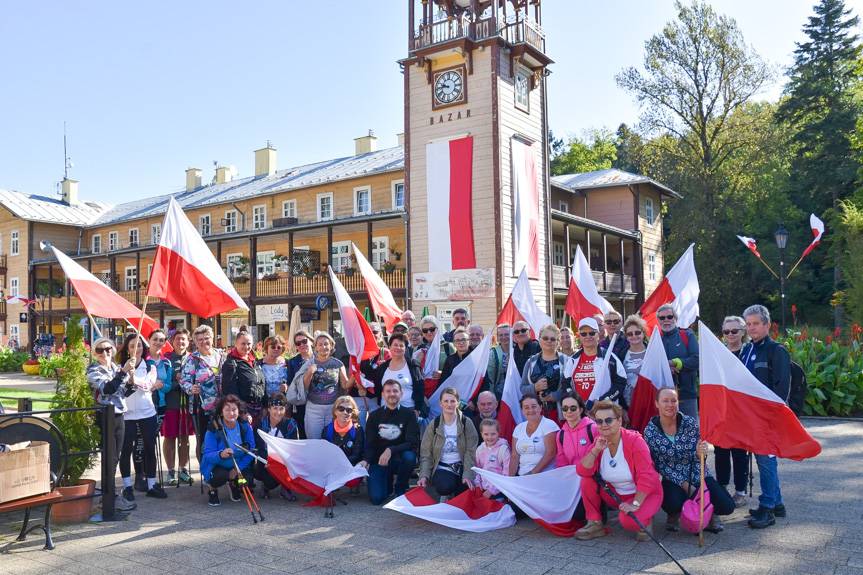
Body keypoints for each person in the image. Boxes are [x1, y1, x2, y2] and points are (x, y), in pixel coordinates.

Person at [644, 387, 734, 533]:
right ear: (657, 404)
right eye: (665, 401)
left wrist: (702, 454)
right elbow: (659, 465)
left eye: (673, 400)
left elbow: (700, 457)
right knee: (672, 502)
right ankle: (675, 514)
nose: (670, 404)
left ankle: (709, 513)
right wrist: (685, 485)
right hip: (672, 478)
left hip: (697, 474)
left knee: (727, 506)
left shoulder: (690, 423)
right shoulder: (650, 431)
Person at [575, 400, 662, 542]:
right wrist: (596, 451)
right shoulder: (600, 441)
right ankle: (595, 523)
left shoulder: (635, 441)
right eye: (599, 421)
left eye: (609, 420)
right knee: (587, 479)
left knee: (629, 522)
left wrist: (635, 504)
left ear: (619, 420)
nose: (603, 425)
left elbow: (648, 476)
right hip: (617, 496)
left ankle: (646, 518)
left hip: (643, 495)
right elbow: (582, 471)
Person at [741, 304, 791, 529]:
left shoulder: (776, 351)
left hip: (768, 418)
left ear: (767, 325)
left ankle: (768, 508)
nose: (751, 328)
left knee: (766, 460)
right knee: (766, 461)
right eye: (748, 324)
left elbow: (782, 388)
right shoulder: (748, 349)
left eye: (755, 324)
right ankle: (778, 503)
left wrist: (772, 416)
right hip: (751, 417)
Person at [87, 336, 136, 512]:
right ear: (94, 353)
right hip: (104, 416)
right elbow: (106, 389)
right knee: (109, 456)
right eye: (100, 350)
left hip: (119, 415)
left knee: (116, 456)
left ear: (113, 351)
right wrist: (123, 372)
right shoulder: (93, 370)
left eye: (108, 349)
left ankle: (111, 495)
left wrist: (131, 381)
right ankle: (107, 497)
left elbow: (122, 392)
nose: (104, 353)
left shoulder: (115, 368)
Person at [118, 334, 167, 500]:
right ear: (127, 349)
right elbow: (117, 388)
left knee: (149, 448)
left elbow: (148, 385)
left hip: (147, 413)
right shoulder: (121, 367)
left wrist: (134, 379)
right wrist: (126, 373)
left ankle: (152, 484)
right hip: (127, 415)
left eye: (139, 346)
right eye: (132, 346)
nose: (136, 349)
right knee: (126, 450)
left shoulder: (150, 366)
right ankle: (127, 486)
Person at [361, 379, 420, 505]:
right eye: (388, 391)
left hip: (400, 459)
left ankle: (401, 487)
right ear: (383, 394)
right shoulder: (374, 416)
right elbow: (370, 443)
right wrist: (366, 460)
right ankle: (387, 484)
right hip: (380, 460)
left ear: (401, 393)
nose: (392, 394)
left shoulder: (409, 415)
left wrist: (390, 450)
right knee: (377, 499)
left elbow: (412, 443)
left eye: (395, 391)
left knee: (410, 457)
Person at [714, 315, 750, 507]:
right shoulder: (719, 353)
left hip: (741, 413)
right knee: (720, 452)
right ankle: (722, 488)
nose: (730, 334)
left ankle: (740, 492)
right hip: (722, 411)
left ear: (743, 332)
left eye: (734, 331)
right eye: (726, 331)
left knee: (739, 453)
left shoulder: (748, 353)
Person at [418, 387, 478, 500]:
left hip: (462, 467)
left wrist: (467, 475)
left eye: (452, 401)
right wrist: (424, 475)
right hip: (442, 468)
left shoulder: (467, 423)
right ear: (441, 403)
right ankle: (446, 493)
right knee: (445, 487)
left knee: (465, 490)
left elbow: (471, 452)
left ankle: (455, 493)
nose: (449, 404)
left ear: (458, 403)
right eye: (446, 401)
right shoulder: (434, 424)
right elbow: (426, 453)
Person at [360, 333, 426, 426]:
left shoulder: (413, 365)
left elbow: (420, 387)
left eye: (401, 345)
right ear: (389, 346)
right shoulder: (382, 367)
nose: (398, 348)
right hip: (386, 411)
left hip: (409, 410)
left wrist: (417, 409)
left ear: (405, 348)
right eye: (395, 345)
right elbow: (374, 382)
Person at [202, 395, 256, 507]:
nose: (231, 413)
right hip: (216, 465)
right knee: (220, 476)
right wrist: (220, 454)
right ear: (221, 412)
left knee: (249, 478)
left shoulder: (245, 426)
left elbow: (251, 451)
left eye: (234, 409)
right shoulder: (214, 428)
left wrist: (237, 469)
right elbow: (207, 455)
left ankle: (233, 484)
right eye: (227, 410)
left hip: (237, 465)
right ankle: (212, 489)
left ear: (239, 410)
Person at [181, 324, 225, 460]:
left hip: (223, 406)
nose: (203, 342)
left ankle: (223, 469)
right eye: (199, 339)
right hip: (202, 407)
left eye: (206, 338)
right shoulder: (192, 360)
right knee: (205, 440)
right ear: (195, 342)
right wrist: (191, 388)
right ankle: (206, 470)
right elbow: (183, 380)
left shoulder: (222, 356)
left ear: (212, 339)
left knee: (224, 438)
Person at [555, 393, 597, 522]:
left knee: (579, 516)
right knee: (574, 517)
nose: (569, 411)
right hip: (573, 483)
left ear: (581, 409)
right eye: (565, 408)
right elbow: (562, 463)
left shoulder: (593, 428)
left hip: (592, 479)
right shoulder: (560, 434)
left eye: (573, 408)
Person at [301, 332, 351, 441]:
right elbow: (304, 386)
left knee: (331, 441)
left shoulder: (338, 364)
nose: (323, 347)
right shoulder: (309, 363)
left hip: (332, 409)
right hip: (314, 409)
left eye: (326, 344)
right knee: (314, 441)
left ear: (332, 346)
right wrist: (309, 372)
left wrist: (355, 376)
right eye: (320, 344)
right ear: (315, 347)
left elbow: (345, 385)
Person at [569, 318, 627, 407]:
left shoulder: (609, 357)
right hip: (580, 413)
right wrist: (575, 403)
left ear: (598, 335)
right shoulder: (573, 359)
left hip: (604, 411)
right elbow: (565, 384)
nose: (588, 336)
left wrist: (604, 400)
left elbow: (620, 383)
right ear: (579, 336)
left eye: (592, 333)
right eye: (584, 334)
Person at [520, 324, 572, 421]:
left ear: (558, 342)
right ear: (540, 340)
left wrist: (554, 396)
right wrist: (534, 387)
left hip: (559, 414)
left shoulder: (566, 361)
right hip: (535, 413)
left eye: (553, 339)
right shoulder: (531, 362)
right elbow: (522, 388)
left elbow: (571, 388)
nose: (549, 341)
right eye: (545, 338)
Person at [162, 329, 194, 487]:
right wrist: (177, 381)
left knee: (185, 438)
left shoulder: (194, 359)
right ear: (172, 341)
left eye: (183, 339)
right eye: (177, 339)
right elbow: (162, 382)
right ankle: (170, 470)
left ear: (188, 342)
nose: (180, 342)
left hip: (188, 405)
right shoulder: (166, 359)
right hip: (171, 404)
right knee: (169, 438)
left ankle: (183, 469)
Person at [658, 304, 700, 418]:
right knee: (669, 433)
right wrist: (665, 368)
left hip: (686, 394)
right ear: (658, 320)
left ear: (675, 319)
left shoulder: (687, 335)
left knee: (690, 432)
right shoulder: (656, 340)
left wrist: (674, 363)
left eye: (669, 317)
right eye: (662, 318)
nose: (666, 320)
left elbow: (697, 360)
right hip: (664, 397)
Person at [254, 393, 299, 499]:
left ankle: (286, 487)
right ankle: (266, 486)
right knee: (270, 481)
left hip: (284, 461)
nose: (278, 412)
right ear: (269, 409)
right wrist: (267, 460)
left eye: (281, 408)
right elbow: (259, 446)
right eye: (275, 408)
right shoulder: (261, 423)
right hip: (266, 460)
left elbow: (294, 448)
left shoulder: (290, 424)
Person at [221, 331, 266, 423]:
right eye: (243, 343)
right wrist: (242, 411)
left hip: (259, 409)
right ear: (236, 344)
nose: (246, 347)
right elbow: (230, 391)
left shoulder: (255, 361)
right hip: (244, 411)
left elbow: (261, 384)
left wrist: (265, 406)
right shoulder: (231, 364)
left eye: (249, 344)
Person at [509, 394, 558, 476]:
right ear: (522, 410)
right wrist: (511, 479)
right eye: (526, 407)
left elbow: (551, 453)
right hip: (523, 477)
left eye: (534, 406)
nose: (530, 410)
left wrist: (532, 474)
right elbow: (514, 456)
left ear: (540, 407)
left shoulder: (549, 425)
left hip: (545, 475)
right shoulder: (518, 428)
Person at [413, 316, 455, 387]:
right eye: (425, 330)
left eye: (432, 329)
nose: (429, 332)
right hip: (424, 390)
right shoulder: (417, 349)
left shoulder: (448, 347)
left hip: (443, 389)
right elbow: (413, 372)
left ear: (437, 329)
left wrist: (443, 374)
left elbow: (456, 369)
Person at [322, 396, 365, 466]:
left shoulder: (358, 430)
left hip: (351, 467)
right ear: (335, 411)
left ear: (352, 413)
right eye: (341, 409)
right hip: (331, 466)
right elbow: (324, 454)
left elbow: (357, 455)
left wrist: (340, 464)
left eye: (349, 410)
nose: (345, 412)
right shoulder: (327, 430)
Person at [474, 419, 510, 499]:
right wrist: (478, 485)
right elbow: (477, 470)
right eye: (486, 434)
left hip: (499, 491)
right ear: (481, 434)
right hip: (482, 489)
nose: (489, 437)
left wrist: (491, 491)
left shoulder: (503, 450)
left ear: (498, 433)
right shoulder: (479, 449)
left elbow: (506, 475)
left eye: (493, 434)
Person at [286, 330, 314, 438]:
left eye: (304, 341)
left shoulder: (320, 358)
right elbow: (290, 382)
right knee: (302, 434)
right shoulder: (292, 362)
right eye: (298, 343)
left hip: (319, 401)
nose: (302, 345)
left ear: (311, 341)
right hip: (301, 403)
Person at [621, 315, 649, 408]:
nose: (634, 336)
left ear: (643, 333)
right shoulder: (621, 355)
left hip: (650, 402)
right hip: (629, 404)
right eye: (630, 334)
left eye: (637, 332)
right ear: (626, 336)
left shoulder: (653, 351)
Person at [485, 324, 510, 399]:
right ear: (498, 337)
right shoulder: (493, 353)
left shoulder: (517, 350)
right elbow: (491, 377)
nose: (504, 337)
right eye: (501, 335)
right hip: (499, 393)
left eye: (506, 334)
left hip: (516, 389)